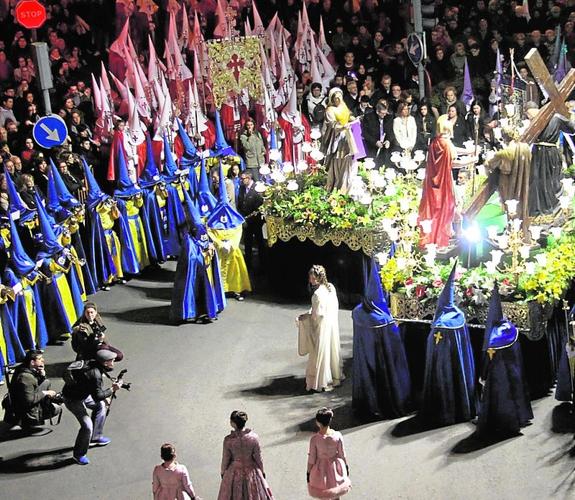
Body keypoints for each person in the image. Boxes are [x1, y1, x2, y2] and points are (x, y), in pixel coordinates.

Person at [62, 349, 123, 465]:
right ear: (105, 363)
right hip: (73, 400)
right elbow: (98, 395)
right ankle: (78, 455)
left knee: (101, 406)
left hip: (83, 394)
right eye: (112, 361)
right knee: (87, 426)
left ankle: (96, 436)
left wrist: (103, 397)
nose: (113, 364)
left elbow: (93, 390)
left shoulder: (92, 363)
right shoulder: (95, 375)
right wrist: (112, 390)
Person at [297, 265, 342, 392]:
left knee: (318, 353)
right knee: (331, 350)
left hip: (321, 327)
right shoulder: (330, 288)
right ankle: (334, 376)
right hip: (331, 324)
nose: (311, 281)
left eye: (312, 278)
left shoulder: (316, 294)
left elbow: (316, 316)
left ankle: (320, 381)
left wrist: (305, 317)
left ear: (317, 278)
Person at [525, 102, 575, 216]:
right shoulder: (537, 121)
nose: (530, 116)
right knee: (538, 181)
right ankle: (541, 208)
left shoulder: (554, 118)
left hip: (548, 153)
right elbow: (572, 128)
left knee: (550, 181)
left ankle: (554, 207)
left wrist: (569, 115)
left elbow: (572, 128)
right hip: (540, 153)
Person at [217, 410, 274, 500]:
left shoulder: (228, 440)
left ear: (233, 423)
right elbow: (258, 457)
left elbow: (225, 459)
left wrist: (223, 472)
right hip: (252, 472)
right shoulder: (254, 438)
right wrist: (262, 472)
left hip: (234, 473)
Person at [10, 350, 62, 431]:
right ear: (32, 362)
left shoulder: (23, 369)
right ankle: (29, 421)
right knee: (56, 409)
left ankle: (32, 417)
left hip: (20, 406)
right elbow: (29, 400)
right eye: (40, 359)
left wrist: (42, 375)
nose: (43, 360)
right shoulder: (26, 377)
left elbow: (35, 386)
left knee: (46, 382)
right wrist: (45, 393)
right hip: (25, 411)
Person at [307, 407, 351, 499]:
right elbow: (342, 453)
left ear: (318, 423)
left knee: (323, 492)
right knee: (336, 492)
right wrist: (346, 465)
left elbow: (312, 458)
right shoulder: (338, 435)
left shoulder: (314, 439)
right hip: (335, 466)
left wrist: (308, 472)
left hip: (320, 468)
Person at [321, 88, 359, 194]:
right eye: (336, 98)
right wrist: (342, 127)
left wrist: (353, 119)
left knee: (348, 159)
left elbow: (348, 115)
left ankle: (346, 183)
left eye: (340, 97)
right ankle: (337, 183)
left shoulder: (343, 106)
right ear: (332, 99)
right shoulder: (330, 110)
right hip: (337, 138)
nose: (338, 100)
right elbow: (332, 124)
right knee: (338, 160)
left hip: (347, 136)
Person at [237, 171, 265, 271]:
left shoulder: (257, 189)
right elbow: (240, 204)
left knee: (260, 243)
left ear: (249, 178)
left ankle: (262, 265)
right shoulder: (241, 189)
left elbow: (259, 207)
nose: (241, 180)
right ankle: (247, 266)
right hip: (246, 223)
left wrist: (248, 218)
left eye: (243, 178)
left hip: (256, 222)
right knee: (247, 244)